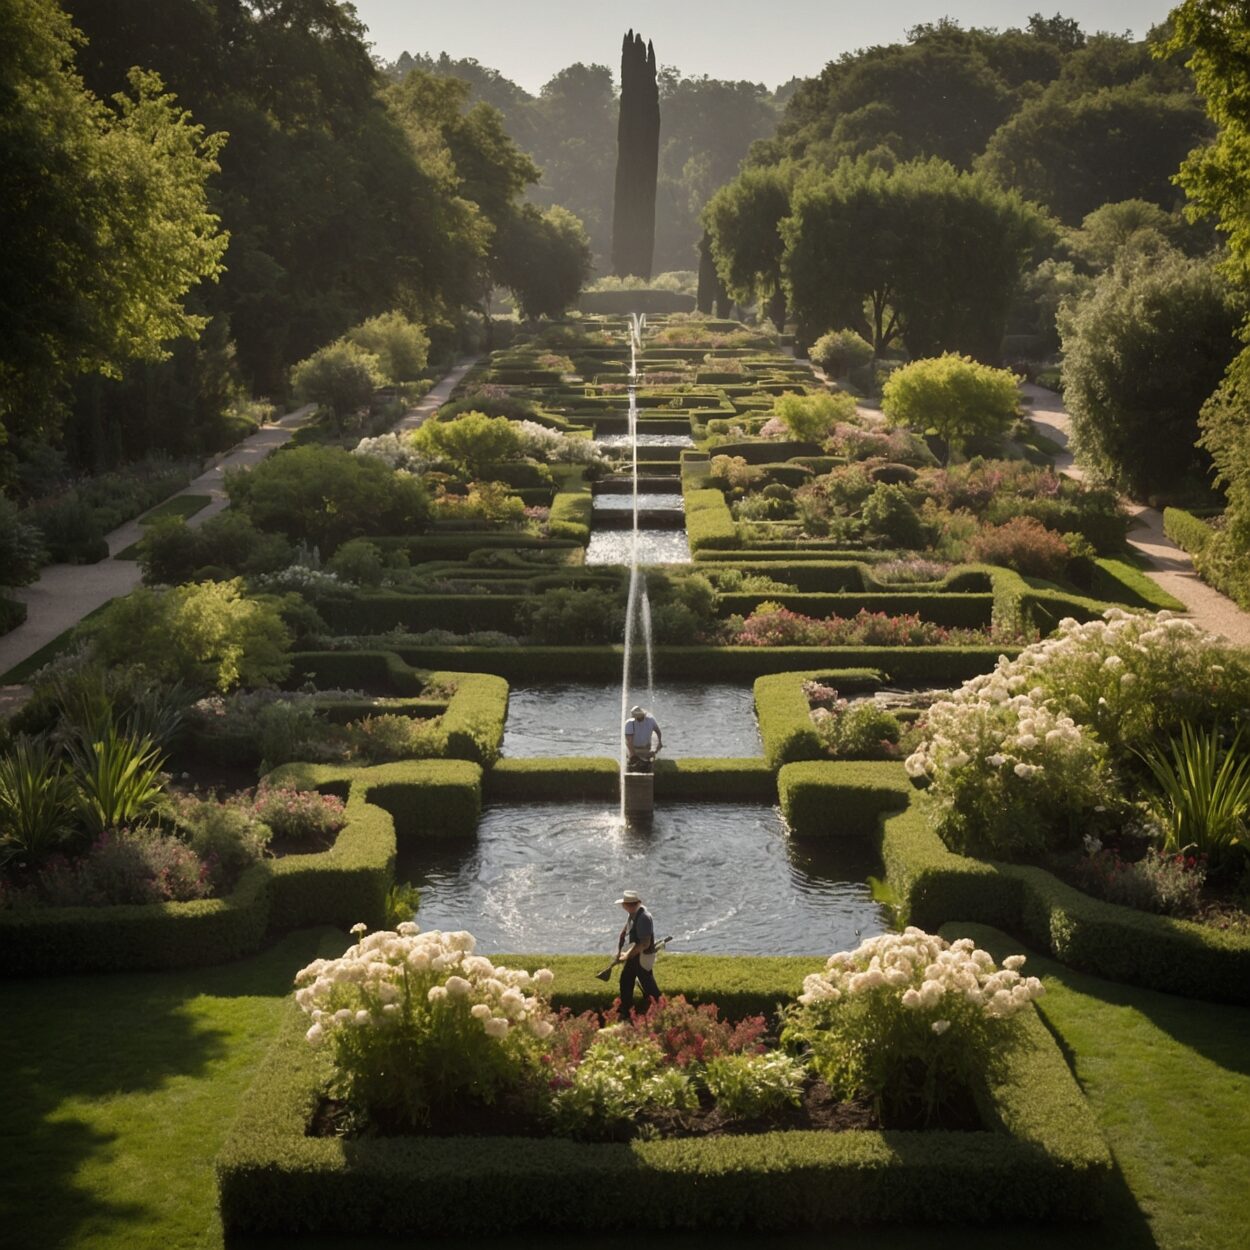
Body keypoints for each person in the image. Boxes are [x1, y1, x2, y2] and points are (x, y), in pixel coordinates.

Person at [613, 889, 660, 1009]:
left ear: (627, 905)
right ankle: (626, 1010)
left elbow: (644, 943)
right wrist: (621, 953)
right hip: (636, 955)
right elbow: (626, 933)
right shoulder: (633, 914)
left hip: (643, 956)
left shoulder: (644, 918)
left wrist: (627, 955)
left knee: (649, 986)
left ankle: (661, 1009)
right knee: (626, 980)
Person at [624, 705, 662, 773]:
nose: (637, 719)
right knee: (632, 768)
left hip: (646, 748)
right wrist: (633, 755)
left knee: (647, 768)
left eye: (639, 717)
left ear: (643, 715)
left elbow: (658, 732)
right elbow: (629, 741)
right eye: (635, 717)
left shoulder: (650, 720)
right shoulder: (629, 723)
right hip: (633, 749)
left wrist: (659, 743)